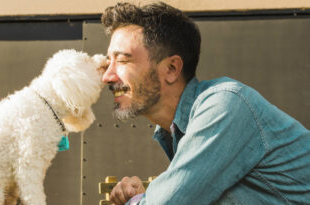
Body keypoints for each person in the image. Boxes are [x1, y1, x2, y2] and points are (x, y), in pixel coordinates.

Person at [101, 2, 310, 205]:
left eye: (122, 60)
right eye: (108, 61)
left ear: (172, 69)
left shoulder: (225, 105)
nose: (107, 77)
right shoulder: (177, 130)